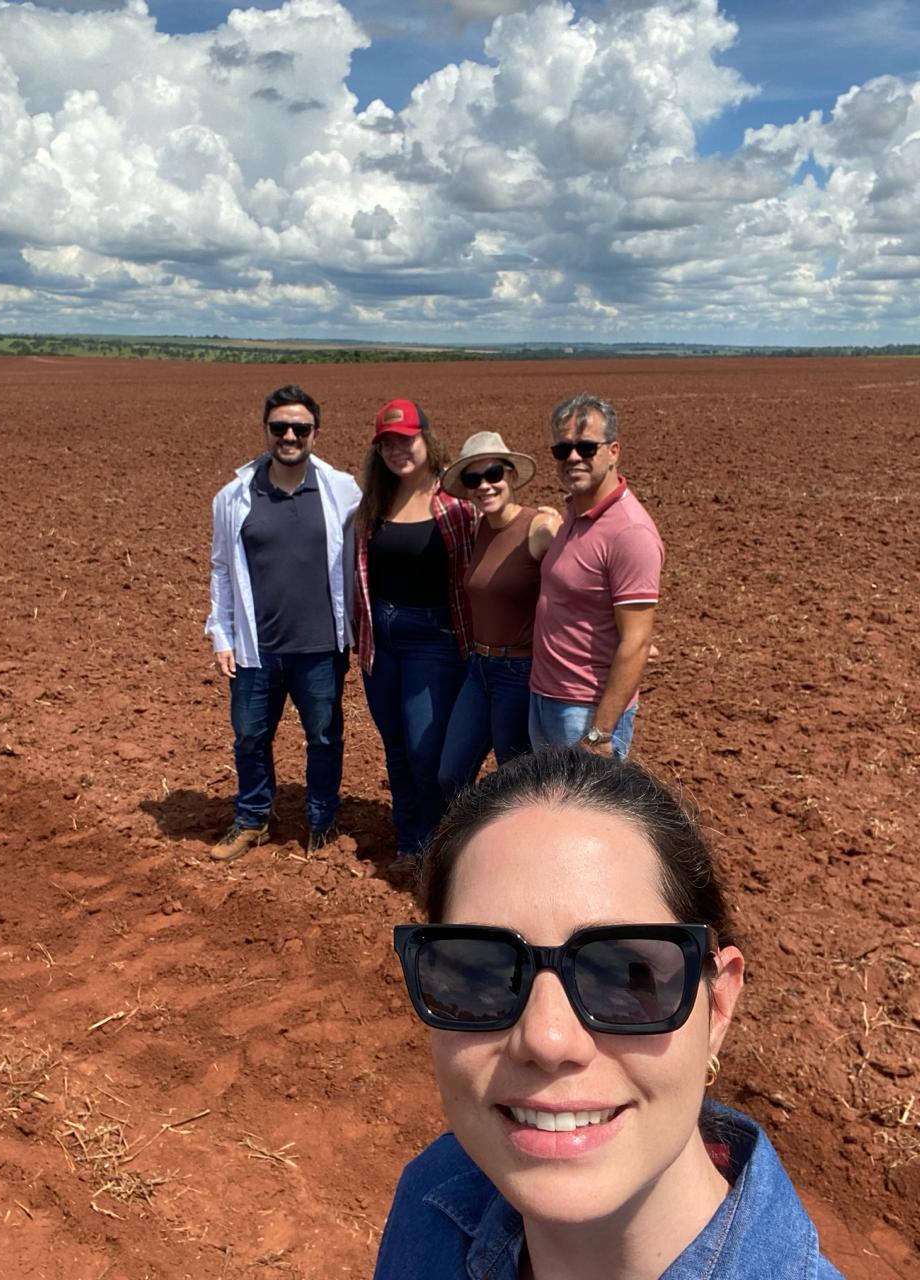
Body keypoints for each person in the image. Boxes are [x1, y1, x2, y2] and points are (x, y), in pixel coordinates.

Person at [376, 750, 844, 1280]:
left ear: (717, 1006)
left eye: (625, 976)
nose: (548, 1040)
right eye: (482, 973)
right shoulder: (431, 1199)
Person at [205, 384, 361, 863]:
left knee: (324, 737)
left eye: (300, 428)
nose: (290, 435)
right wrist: (222, 633)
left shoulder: (343, 490)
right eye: (280, 427)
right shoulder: (234, 496)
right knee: (250, 736)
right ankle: (253, 818)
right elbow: (221, 568)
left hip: (320, 646)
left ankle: (321, 821)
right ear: (267, 431)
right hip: (256, 649)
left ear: (316, 432)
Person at [355, 399, 477, 864]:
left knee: (428, 752)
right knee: (398, 750)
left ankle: (443, 846)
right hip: (379, 641)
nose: (397, 450)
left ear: (427, 438)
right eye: (387, 443)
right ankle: (409, 843)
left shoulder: (458, 506)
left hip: (435, 640)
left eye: (406, 439)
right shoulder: (372, 504)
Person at [530, 393, 664, 759]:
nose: (573, 457)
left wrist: (599, 734)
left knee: (585, 813)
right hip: (544, 697)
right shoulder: (573, 512)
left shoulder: (630, 532)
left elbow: (636, 642)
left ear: (614, 451)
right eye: (562, 450)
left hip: (585, 711)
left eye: (587, 448)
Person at [437, 432, 560, 799]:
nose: (485, 485)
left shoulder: (540, 528)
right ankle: (464, 843)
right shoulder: (480, 528)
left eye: (493, 474)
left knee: (516, 781)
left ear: (510, 475)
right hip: (478, 669)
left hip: (519, 674)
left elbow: (582, 579)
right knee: (451, 772)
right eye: (473, 479)